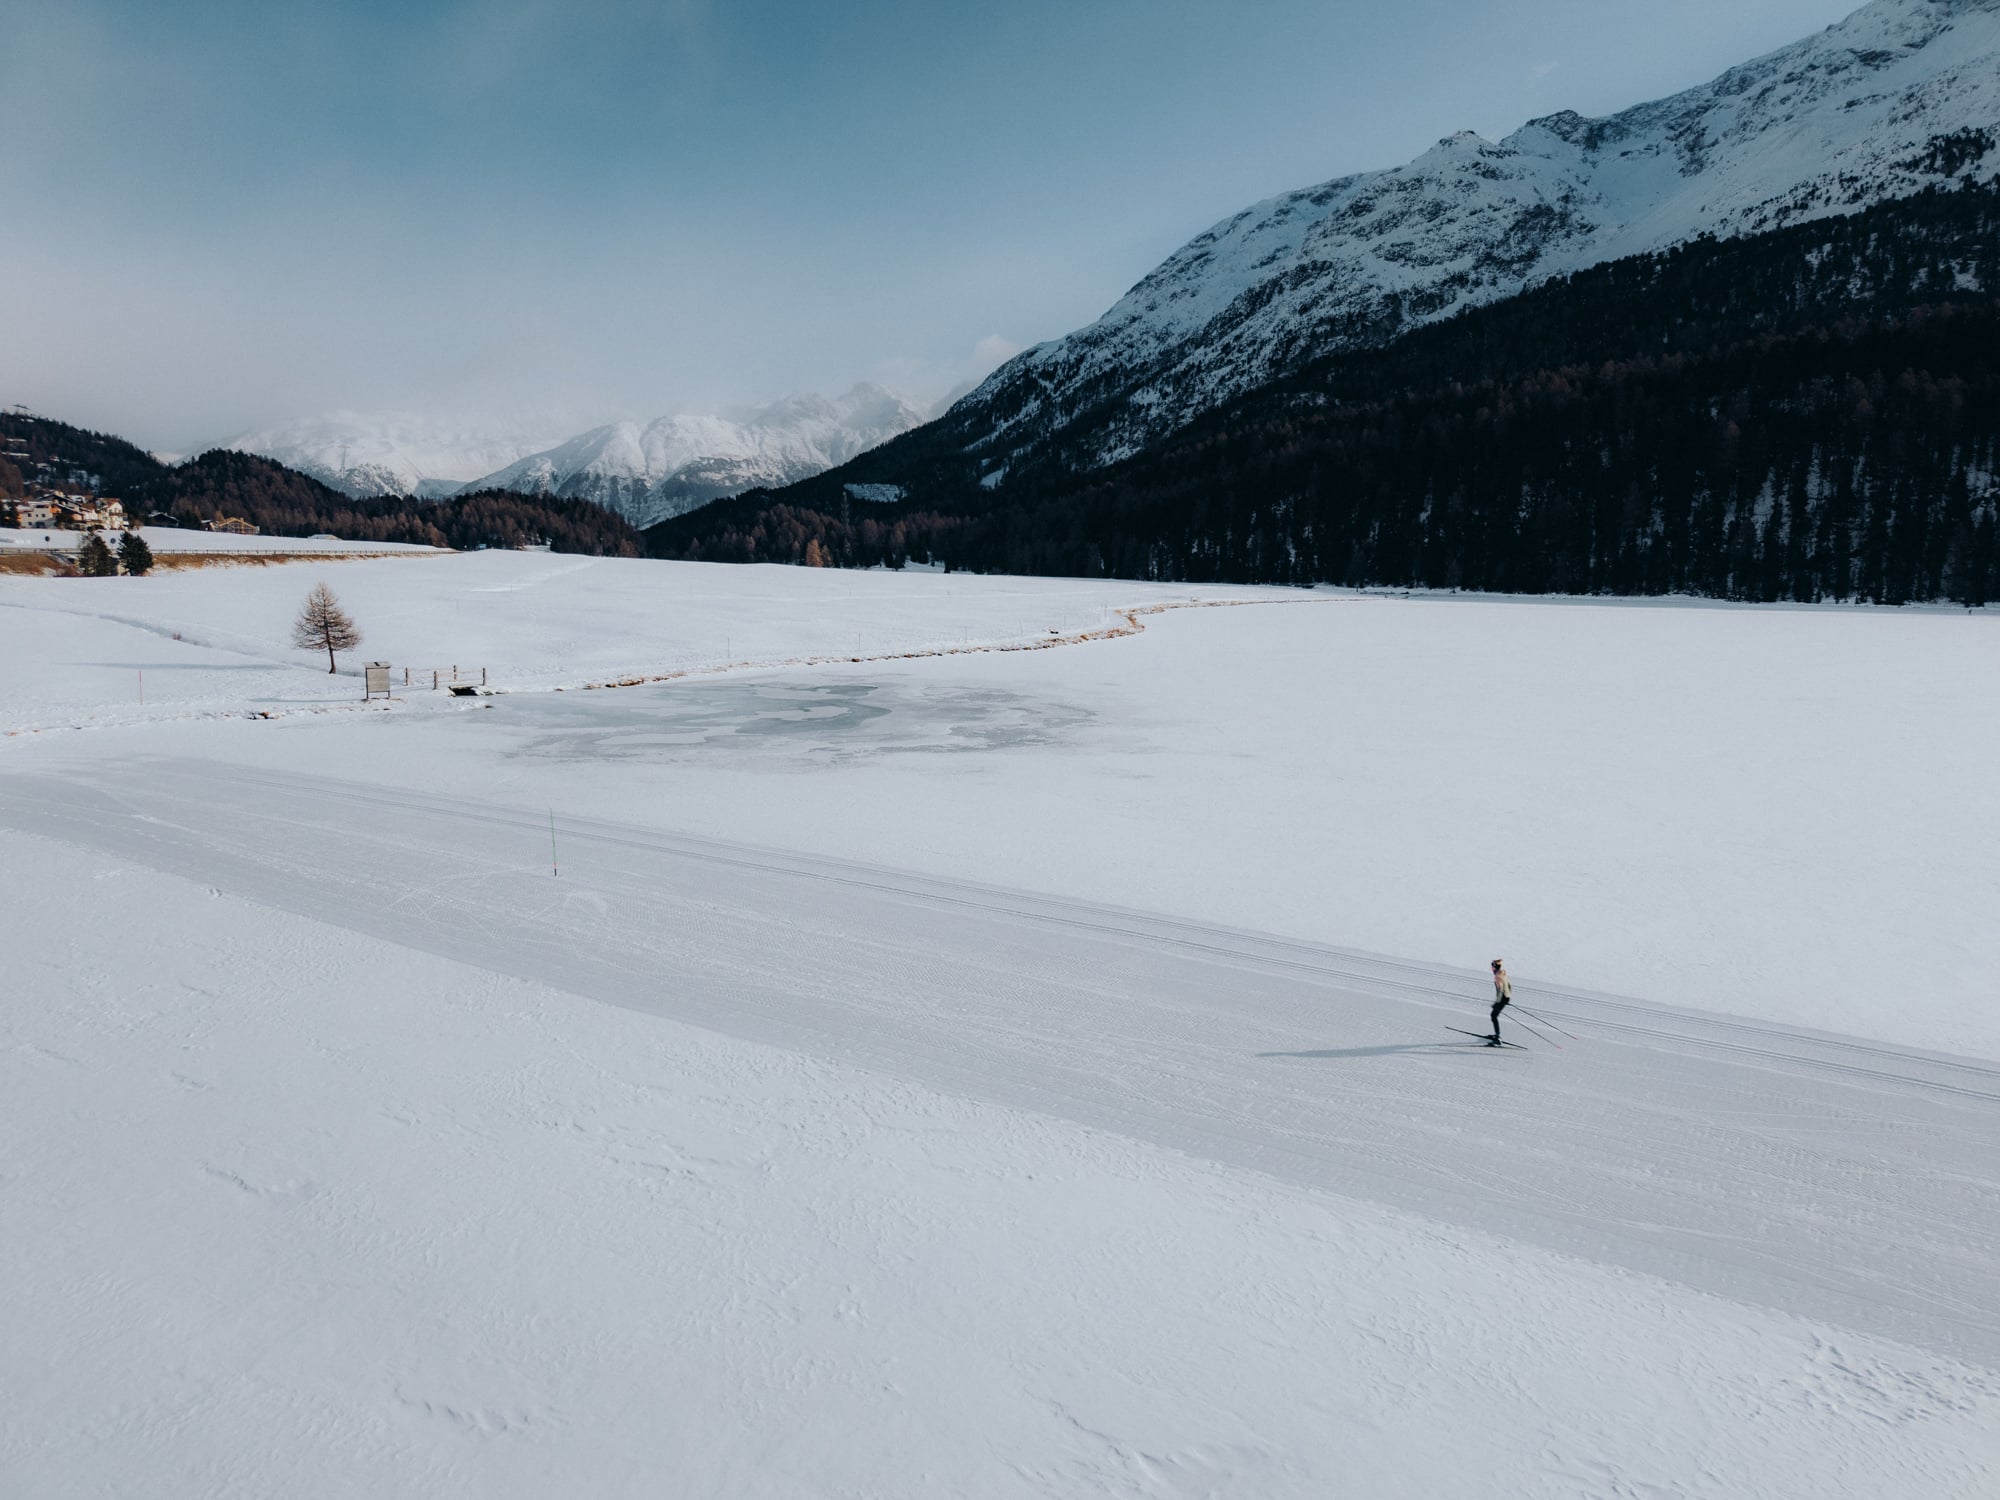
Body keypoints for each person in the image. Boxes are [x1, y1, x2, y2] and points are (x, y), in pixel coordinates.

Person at [1489, 959, 1512, 1042]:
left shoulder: (1497, 976)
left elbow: (1500, 990)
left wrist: (1497, 1002)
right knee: (1494, 1015)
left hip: (1502, 998)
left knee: (1493, 1016)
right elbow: (1509, 985)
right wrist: (1508, 997)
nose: (1491, 968)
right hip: (1506, 997)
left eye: (1492, 967)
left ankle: (1497, 1036)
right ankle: (1497, 1034)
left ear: (1494, 967)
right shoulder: (1503, 973)